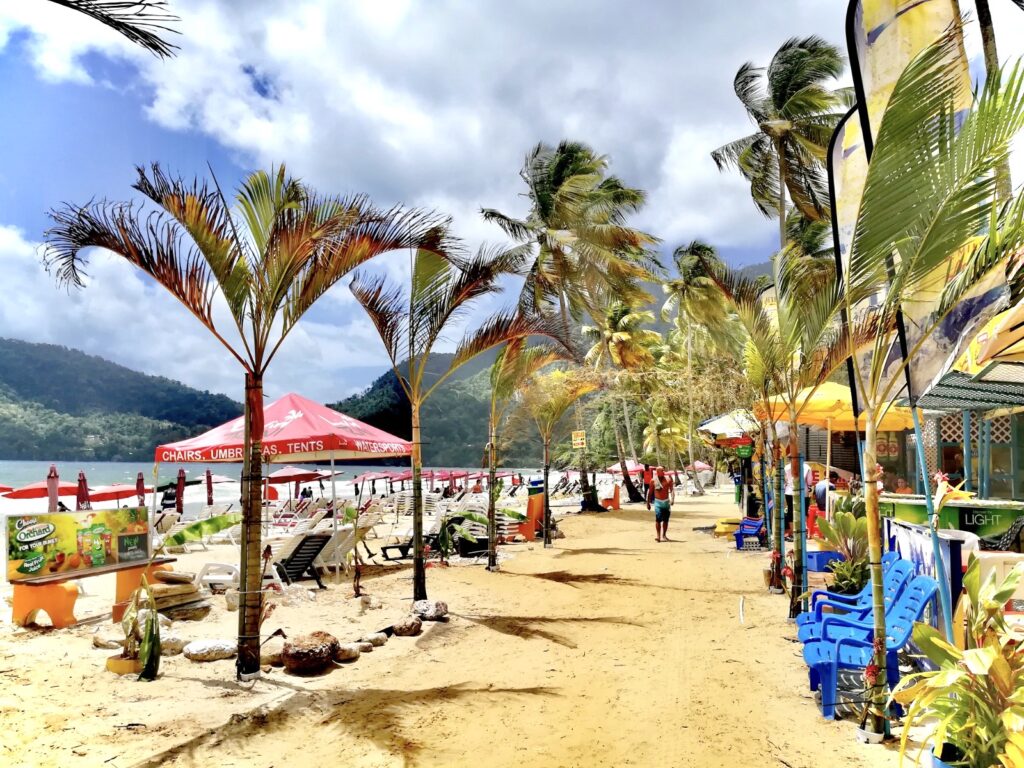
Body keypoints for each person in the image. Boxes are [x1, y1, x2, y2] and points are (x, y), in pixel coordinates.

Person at [783, 459, 814, 535]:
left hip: (789, 491)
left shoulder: (786, 467)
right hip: (803, 492)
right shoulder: (807, 467)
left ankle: (792, 531)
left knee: (791, 511)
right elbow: (809, 481)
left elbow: (785, 480)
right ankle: (803, 530)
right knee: (804, 510)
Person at [646, 466, 676, 543]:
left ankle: (664, 535)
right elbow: (650, 492)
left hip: (666, 502)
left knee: (666, 520)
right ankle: (658, 536)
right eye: (661, 471)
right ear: (657, 472)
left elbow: (672, 490)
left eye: (663, 470)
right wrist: (648, 503)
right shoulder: (653, 481)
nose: (663, 472)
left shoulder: (668, 479)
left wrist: (672, 499)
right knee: (658, 519)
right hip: (658, 502)